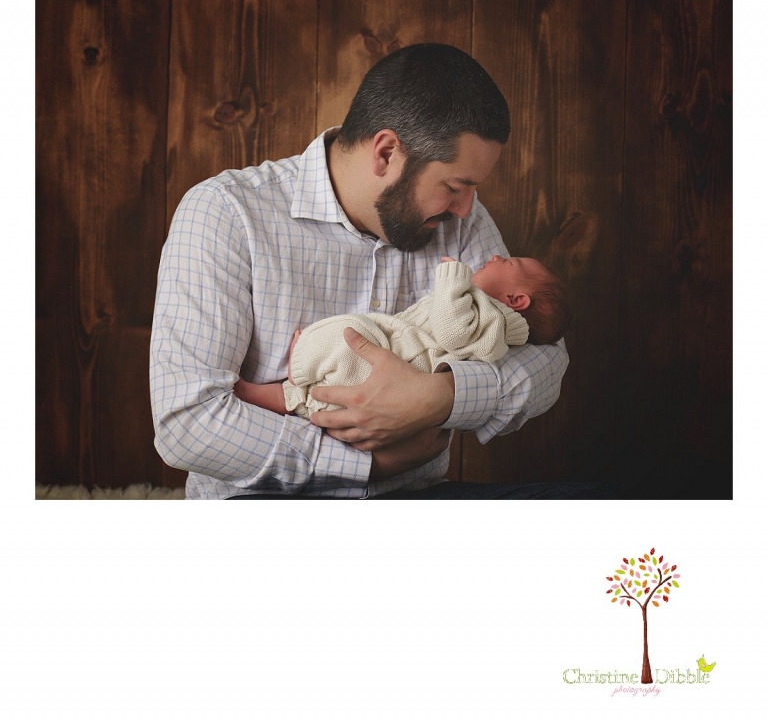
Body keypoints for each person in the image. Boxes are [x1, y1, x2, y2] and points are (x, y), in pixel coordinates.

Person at [150, 42, 606, 499]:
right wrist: (363, 464)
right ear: (386, 153)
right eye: (454, 186)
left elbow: (547, 359)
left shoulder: (460, 222)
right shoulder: (227, 212)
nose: (467, 209)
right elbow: (186, 421)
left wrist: (438, 398)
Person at [233, 254, 572, 419]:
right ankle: (269, 385)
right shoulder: (486, 314)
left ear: (516, 300)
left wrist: (451, 276)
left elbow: (450, 331)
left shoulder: (490, 321)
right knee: (316, 386)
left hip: (399, 365)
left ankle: (301, 361)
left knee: (347, 335)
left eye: (509, 262)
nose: (497, 256)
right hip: (393, 353)